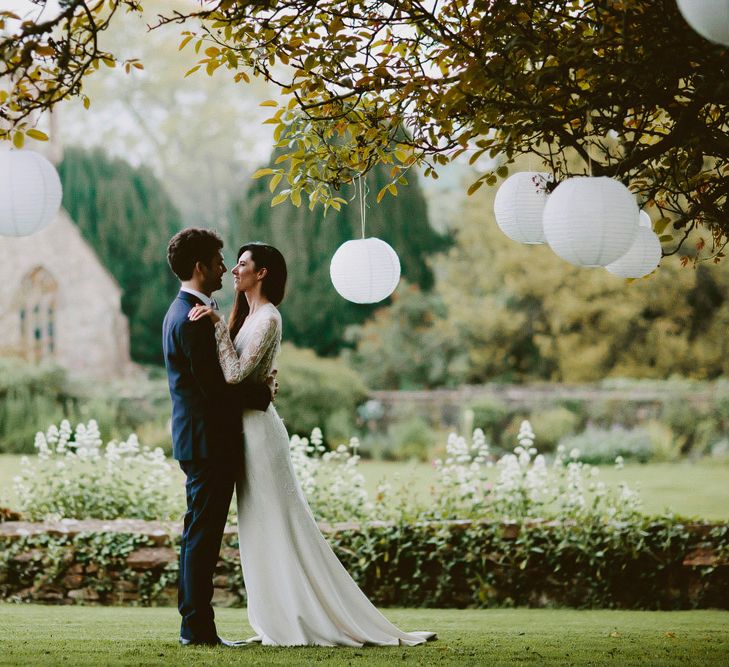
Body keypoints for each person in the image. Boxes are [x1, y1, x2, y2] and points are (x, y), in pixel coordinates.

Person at [188, 242, 436, 647]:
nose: (234, 270)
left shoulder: (268, 318)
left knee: (282, 524)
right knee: (259, 528)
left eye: (243, 264)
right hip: (243, 431)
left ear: (263, 272)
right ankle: (278, 617)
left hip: (260, 437)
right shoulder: (246, 317)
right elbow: (234, 375)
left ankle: (305, 617)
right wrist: (229, 336)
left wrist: (216, 326)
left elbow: (233, 376)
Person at [162, 229, 274, 647]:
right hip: (208, 442)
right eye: (218, 261)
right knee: (203, 538)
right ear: (199, 267)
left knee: (199, 534)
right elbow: (215, 388)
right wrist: (261, 393)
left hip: (199, 440)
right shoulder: (190, 318)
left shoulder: (185, 310)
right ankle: (197, 629)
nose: (225, 268)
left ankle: (195, 626)